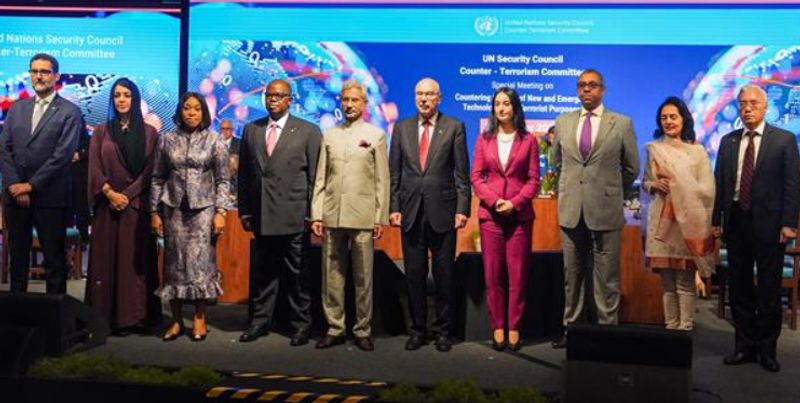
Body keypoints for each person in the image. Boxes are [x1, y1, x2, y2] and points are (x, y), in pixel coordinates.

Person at [713, 85, 800, 372]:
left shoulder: (784, 140)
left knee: (769, 289)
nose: (747, 108)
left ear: (765, 107)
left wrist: (789, 223)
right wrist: (716, 221)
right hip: (737, 221)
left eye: (753, 103)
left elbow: (792, 185)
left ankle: (767, 349)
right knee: (739, 288)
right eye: (742, 104)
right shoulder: (728, 141)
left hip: (771, 225)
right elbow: (720, 184)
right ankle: (744, 346)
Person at [552, 68, 639, 349]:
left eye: (592, 85)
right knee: (572, 275)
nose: (586, 89)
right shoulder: (563, 122)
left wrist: (606, 188)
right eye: (581, 85)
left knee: (607, 278)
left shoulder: (621, 123)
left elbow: (631, 168)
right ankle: (572, 330)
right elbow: (556, 162)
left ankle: (606, 333)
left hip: (605, 207)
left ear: (603, 89)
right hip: (571, 209)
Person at [237, 79, 322, 345]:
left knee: (297, 275)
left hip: (294, 215)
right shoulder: (251, 130)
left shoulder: (308, 131)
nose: (272, 99)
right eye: (269, 95)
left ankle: (301, 326)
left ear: (290, 100)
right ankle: (259, 323)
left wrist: (312, 214)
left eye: (278, 95)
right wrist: (245, 211)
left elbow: (316, 177)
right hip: (261, 214)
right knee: (264, 274)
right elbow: (244, 175)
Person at [388, 78, 470, 352]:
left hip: (443, 212)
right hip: (410, 212)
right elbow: (394, 173)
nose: (423, 99)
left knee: (444, 274)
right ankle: (418, 330)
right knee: (414, 274)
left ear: (439, 98)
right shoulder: (401, 128)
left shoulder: (454, 127)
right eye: (419, 94)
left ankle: (443, 331)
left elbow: (461, 174)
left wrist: (462, 209)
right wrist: (394, 207)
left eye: (429, 94)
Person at [311, 80, 389, 351]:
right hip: (332, 214)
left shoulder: (376, 135)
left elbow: (382, 180)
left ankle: (362, 329)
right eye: (345, 100)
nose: (349, 104)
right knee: (331, 275)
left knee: (363, 277)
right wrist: (317, 214)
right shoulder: (329, 135)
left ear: (364, 104)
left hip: (363, 216)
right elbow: (321, 177)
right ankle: (335, 328)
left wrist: (379, 217)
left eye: (355, 100)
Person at [150, 92, 230, 342]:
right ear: (180, 111)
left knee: (200, 265)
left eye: (196, 108)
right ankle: (175, 320)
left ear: (203, 112)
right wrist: (154, 212)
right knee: (174, 265)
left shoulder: (215, 140)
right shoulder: (167, 139)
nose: (191, 113)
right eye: (187, 108)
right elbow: (157, 178)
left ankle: (199, 317)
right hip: (172, 209)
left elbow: (223, 179)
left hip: (204, 211)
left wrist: (221, 212)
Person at [85, 78, 162, 333]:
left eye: (126, 95)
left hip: (135, 207)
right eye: (117, 95)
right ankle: (104, 317)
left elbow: (150, 171)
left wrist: (126, 196)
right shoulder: (101, 132)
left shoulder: (150, 133)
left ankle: (134, 318)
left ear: (135, 99)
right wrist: (109, 193)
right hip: (107, 208)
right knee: (106, 263)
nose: (121, 100)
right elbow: (94, 167)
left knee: (132, 266)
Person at [1, 53, 81, 294]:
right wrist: (15, 185)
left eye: (44, 71)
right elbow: (4, 149)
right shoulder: (17, 108)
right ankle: (16, 313)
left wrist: (30, 186)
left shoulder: (69, 111)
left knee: (54, 263)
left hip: (50, 198)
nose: (38, 76)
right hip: (15, 197)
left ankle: (55, 316)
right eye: (34, 71)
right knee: (17, 261)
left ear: (56, 76)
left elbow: (62, 156)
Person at [471, 87, 540, 351]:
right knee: (493, 276)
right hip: (491, 217)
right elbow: (476, 177)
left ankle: (514, 326)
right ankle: (497, 326)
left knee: (518, 277)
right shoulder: (484, 140)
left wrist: (514, 203)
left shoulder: (528, 140)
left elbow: (533, 180)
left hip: (519, 217)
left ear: (515, 108)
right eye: (497, 103)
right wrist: (494, 201)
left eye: (506, 103)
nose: (501, 108)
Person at [642, 96, 715, 332]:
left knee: (684, 283)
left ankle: (685, 329)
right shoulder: (654, 149)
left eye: (673, 117)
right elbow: (645, 182)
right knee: (667, 285)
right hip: (661, 222)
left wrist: (681, 187)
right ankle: (671, 329)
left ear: (684, 119)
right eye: (664, 118)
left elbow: (707, 189)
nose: (669, 122)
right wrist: (653, 185)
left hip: (688, 223)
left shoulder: (697, 152)